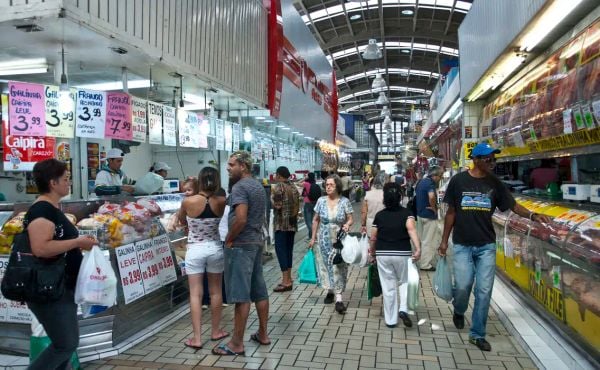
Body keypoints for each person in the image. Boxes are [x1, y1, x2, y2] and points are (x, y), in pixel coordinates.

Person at [439, 142, 552, 352]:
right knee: (463, 287)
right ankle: (459, 309)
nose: (492, 163)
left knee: (483, 290)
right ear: (476, 159)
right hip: (463, 244)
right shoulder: (458, 181)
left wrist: (533, 215)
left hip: (486, 245)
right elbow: (451, 213)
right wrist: (444, 241)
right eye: (488, 159)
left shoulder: (495, 183)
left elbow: (512, 205)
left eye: (494, 159)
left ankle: (477, 334)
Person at [25, 159, 97, 370]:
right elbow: (41, 248)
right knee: (65, 345)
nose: (69, 183)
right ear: (52, 182)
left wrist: (78, 246)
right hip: (50, 289)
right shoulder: (41, 211)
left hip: (61, 287)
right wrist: (77, 242)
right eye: (66, 179)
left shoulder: (52, 209)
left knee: (65, 344)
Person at [213, 151, 270, 356]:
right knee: (259, 291)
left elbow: (241, 218)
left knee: (241, 296)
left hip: (241, 245)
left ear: (243, 166)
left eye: (231, 164)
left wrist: (229, 238)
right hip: (255, 242)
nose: (228, 168)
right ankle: (263, 334)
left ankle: (236, 343)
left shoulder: (239, 187)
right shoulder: (257, 186)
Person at [178, 167, 228, 349]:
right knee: (216, 292)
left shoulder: (188, 201)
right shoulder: (222, 201)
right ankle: (216, 331)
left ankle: (197, 339)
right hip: (215, 248)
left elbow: (182, 221)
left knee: (195, 294)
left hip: (195, 250)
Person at [369, 182, 421, 328]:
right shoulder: (407, 213)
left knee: (388, 286)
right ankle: (403, 309)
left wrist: (372, 253)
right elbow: (411, 230)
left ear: (385, 198)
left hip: (383, 253)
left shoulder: (379, 216)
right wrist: (418, 249)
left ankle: (391, 320)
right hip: (403, 252)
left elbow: (373, 237)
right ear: (400, 197)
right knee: (404, 281)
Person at [309, 174, 354, 314]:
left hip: (339, 239)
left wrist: (347, 225)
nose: (328, 187)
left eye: (331, 185)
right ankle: (329, 290)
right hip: (324, 238)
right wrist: (313, 238)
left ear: (337, 186)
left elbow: (351, 218)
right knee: (325, 264)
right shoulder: (321, 201)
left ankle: (339, 298)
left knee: (339, 265)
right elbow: (315, 220)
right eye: (326, 185)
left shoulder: (344, 201)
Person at [271, 166, 300, 292]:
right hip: (292, 225)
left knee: (280, 251)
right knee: (288, 251)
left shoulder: (279, 187)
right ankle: (289, 277)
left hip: (282, 225)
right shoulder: (293, 187)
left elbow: (277, 205)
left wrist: (271, 197)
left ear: (279, 175)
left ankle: (285, 281)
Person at [415, 166, 443, 271]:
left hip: (420, 214)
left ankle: (421, 259)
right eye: (440, 176)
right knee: (429, 241)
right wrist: (434, 209)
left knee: (423, 239)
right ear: (434, 176)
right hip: (429, 216)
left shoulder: (421, 182)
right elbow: (431, 196)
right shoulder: (430, 183)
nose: (440, 178)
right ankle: (425, 264)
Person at [302, 173, 320, 241]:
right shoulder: (315, 184)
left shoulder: (306, 184)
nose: (306, 176)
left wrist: (304, 178)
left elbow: (297, 183)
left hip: (308, 204)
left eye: (307, 175)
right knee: (313, 221)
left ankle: (314, 235)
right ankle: (310, 237)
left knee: (308, 221)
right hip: (315, 203)